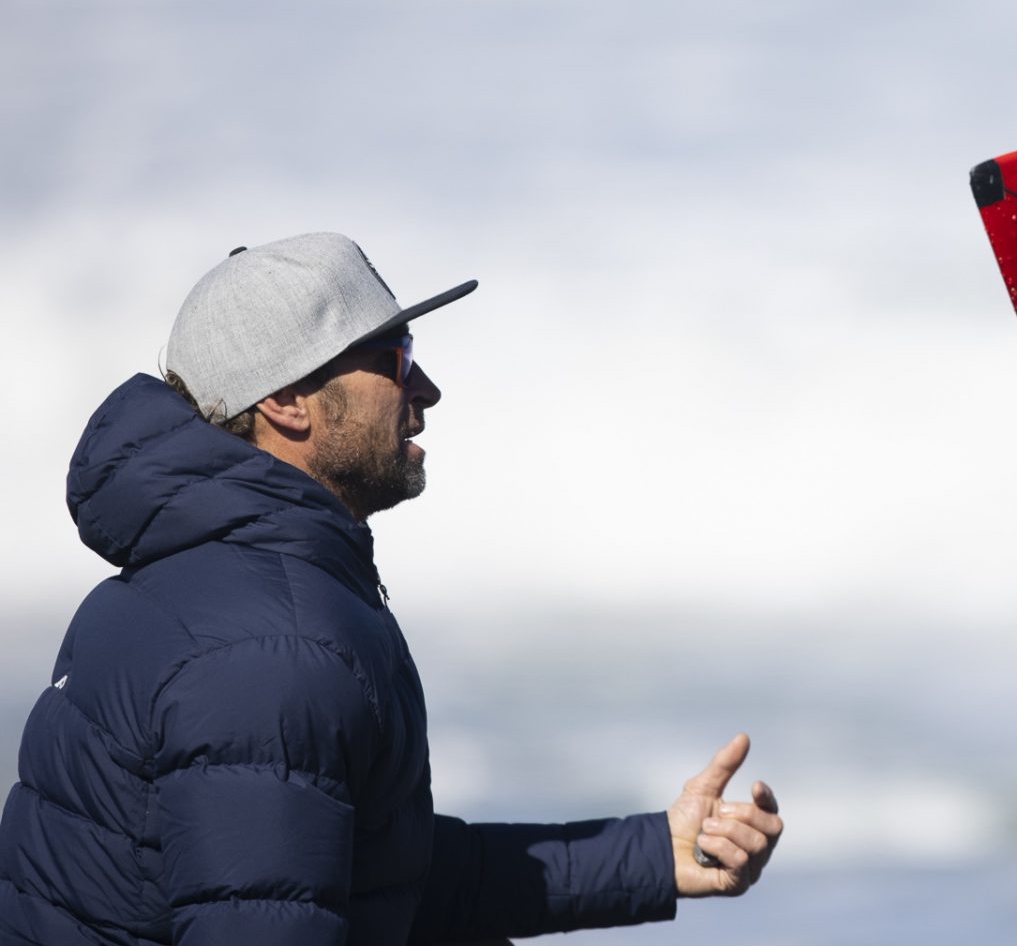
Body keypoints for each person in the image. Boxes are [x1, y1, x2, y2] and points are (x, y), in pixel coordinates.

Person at [0, 233, 783, 944]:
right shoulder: (272, 652)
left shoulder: (197, 587)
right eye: (397, 357)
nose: (428, 388)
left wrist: (654, 853)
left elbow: (367, 876)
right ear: (286, 401)